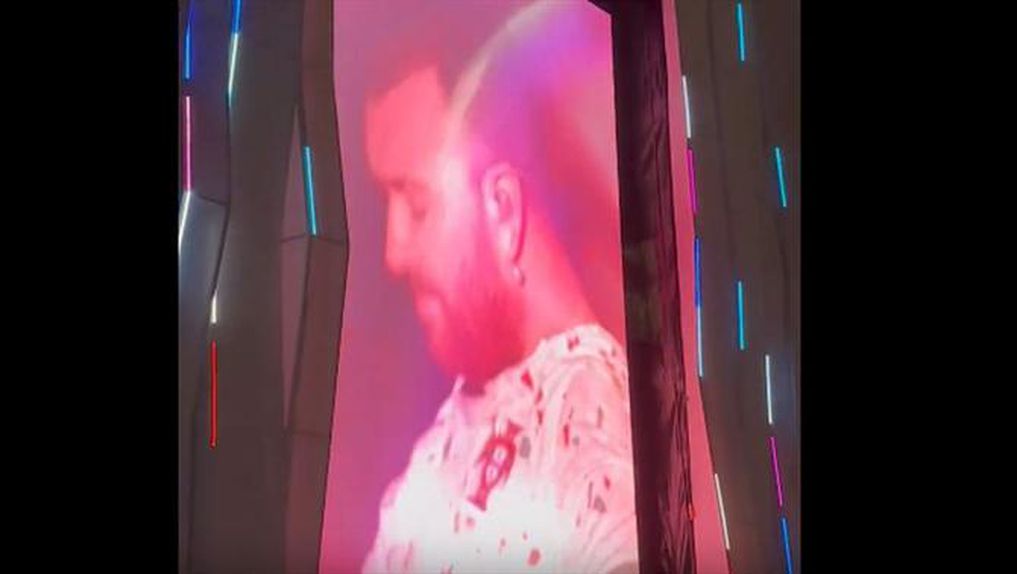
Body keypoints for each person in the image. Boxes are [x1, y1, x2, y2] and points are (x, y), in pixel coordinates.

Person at [361, 2, 638, 572]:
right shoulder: (446, 438)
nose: (393, 253)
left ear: (505, 211)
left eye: (417, 204)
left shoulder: (597, 447)